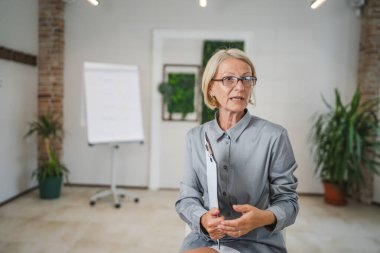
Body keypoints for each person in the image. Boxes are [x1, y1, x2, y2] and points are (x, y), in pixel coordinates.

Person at [175, 48, 299, 253]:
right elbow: (187, 197)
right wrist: (203, 219)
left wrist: (263, 217)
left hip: (257, 243)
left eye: (247, 78)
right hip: (205, 240)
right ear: (210, 89)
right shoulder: (194, 137)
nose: (240, 86)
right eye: (229, 79)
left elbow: (289, 203)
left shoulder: (275, 136)